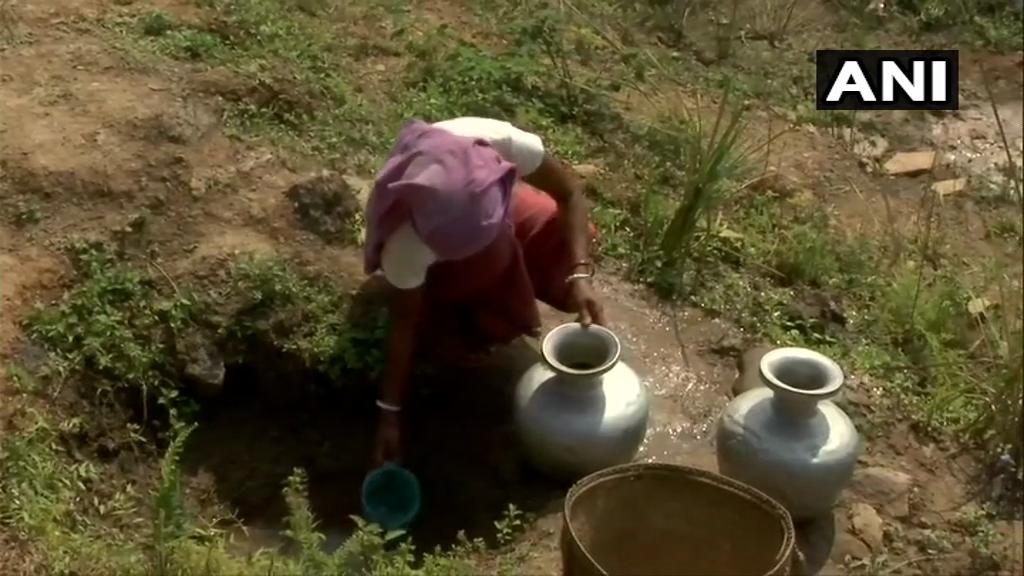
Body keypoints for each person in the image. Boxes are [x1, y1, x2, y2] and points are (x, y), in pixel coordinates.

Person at [363, 117, 607, 467]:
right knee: (492, 262)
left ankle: (503, 262)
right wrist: (389, 415)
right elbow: (403, 326)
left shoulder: (491, 143)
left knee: (560, 236)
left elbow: (569, 193)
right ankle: (485, 316)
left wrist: (579, 275)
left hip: (484, 207)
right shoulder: (407, 241)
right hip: (445, 262)